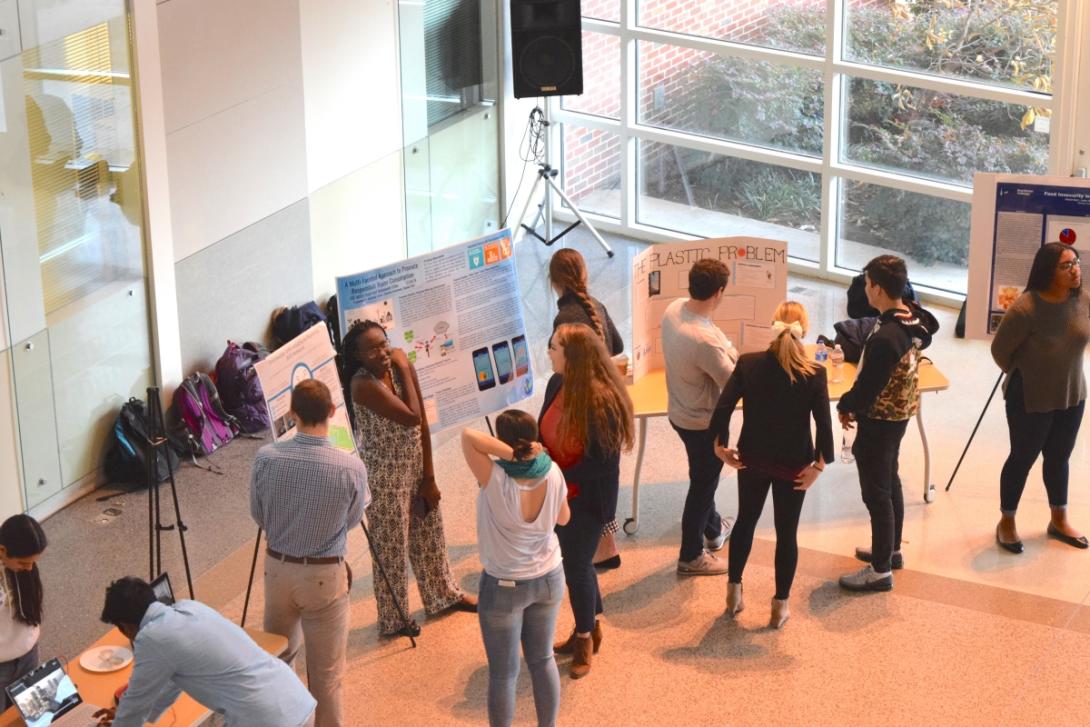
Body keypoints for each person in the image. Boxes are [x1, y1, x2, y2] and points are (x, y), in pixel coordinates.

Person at [341, 321, 475, 638]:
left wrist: (429, 477)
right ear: (358, 356)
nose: (382, 352)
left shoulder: (399, 366)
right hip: (385, 476)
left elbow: (422, 424)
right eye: (372, 348)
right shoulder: (362, 385)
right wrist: (403, 367)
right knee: (391, 548)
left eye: (384, 343)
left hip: (414, 464)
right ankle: (395, 618)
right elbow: (410, 415)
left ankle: (443, 595)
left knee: (429, 530)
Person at [250, 378, 369, 727]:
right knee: (327, 674)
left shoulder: (266, 458)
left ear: (292, 413)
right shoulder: (350, 467)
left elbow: (258, 514)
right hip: (324, 575)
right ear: (332, 412)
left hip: (278, 570)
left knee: (279, 661)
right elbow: (352, 519)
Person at [709, 302, 834, 628]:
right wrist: (819, 466)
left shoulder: (749, 364)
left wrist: (720, 445)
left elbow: (723, 407)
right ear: (804, 332)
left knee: (746, 521)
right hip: (794, 464)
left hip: (753, 458)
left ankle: (733, 592)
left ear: (773, 326)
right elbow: (824, 424)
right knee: (786, 532)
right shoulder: (815, 374)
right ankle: (780, 606)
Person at [461, 410, 570, 727]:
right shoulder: (552, 472)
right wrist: (529, 454)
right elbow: (563, 519)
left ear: (499, 441)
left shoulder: (494, 476)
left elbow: (468, 437)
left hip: (504, 585)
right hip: (549, 577)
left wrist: (513, 455)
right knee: (542, 659)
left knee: (503, 672)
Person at [837, 255, 938, 592]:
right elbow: (932, 327)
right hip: (901, 414)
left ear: (877, 289)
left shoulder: (885, 338)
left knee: (876, 493)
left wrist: (847, 406)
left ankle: (880, 570)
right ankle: (891, 550)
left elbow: (867, 388)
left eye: (867, 284)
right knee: (890, 479)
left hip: (880, 420)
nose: (865, 289)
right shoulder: (914, 317)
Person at [93, 577, 316, 727]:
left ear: (126, 626)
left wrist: (125, 720)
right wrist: (147, 716)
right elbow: (172, 681)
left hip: (266, 718)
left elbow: (136, 699)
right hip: (293, 698)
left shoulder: (151, 638)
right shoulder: (189, 607)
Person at [540, 323, 634, 679]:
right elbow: (543, 429)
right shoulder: (556, 383)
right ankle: (592, 626)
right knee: (575, 563)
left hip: (587, 500)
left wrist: (557, 472)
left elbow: (603, 464)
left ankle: (583, 639)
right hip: (559, 495)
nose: (549, 352)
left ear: (572, 356)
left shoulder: (600, 399)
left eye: (554, 347)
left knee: (576, 567)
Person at [991, 242, 1089, 553]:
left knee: (1059, 458)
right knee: (1022, 459)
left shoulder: (1083, 300)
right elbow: (1000, 352)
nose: (1075, 270)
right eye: (1066, 266)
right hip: (1029, 398)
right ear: (1048, 272)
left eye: (1076, 263)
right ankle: (1006, 521)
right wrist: (1031, 374)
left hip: (1072, 394)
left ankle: (1058, 518)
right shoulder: (1026, 308)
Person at [661, 258, 739, 575]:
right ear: (719, 292)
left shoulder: (675, 309)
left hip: (679, 412)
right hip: (703, 422)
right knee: (702, 486)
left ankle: (714, 529)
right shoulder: (703, 340)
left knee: (703, 478)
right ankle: (691, 556)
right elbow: (733, 382)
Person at [548, 248, 624, 570]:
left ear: (553, 280)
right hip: (607, 394)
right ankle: (606, 547)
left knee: (588, 474)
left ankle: (596, 549)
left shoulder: (565, 318)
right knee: (605, 473)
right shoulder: (597, 305)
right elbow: (617, 346)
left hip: (583, 402)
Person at [0, 515, 47, 709]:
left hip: (29, 656)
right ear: (2, 550)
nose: (29, 569)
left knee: (39, 716)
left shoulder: (23, 566)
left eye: (33, 563)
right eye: (23, 563)